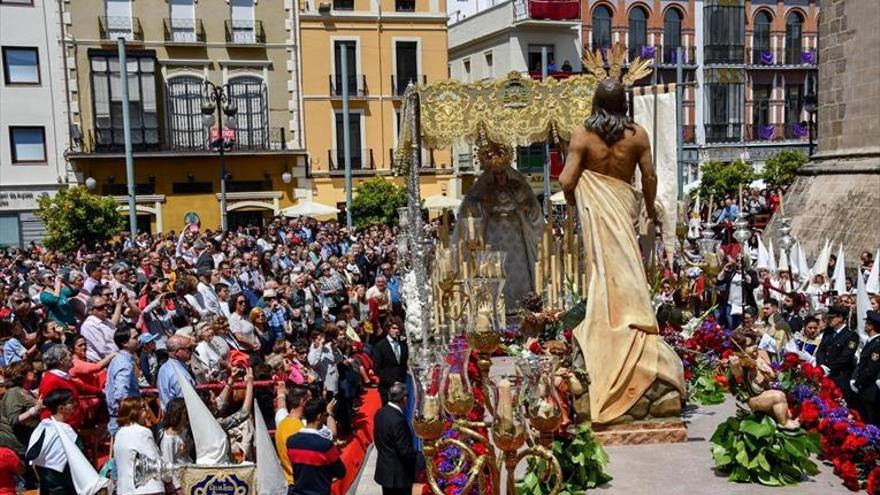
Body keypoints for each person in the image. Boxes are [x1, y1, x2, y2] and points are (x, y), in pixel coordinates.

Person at [559, 75, 685, 424]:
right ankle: (634, 334)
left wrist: (578, 199)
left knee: (604, 274)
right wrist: (648, 208)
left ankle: (608, 339)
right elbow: (649, 178)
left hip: (598, 217)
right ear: (625, 103)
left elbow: (566, 180)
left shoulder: (583, 135)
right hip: (623, 212)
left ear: (596, 104)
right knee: (629, 273)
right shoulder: (638, 135)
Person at [25, 389, 79, 495]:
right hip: (64, 489)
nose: (75, 404)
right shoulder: (67, 432)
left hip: (45, 488)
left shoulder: (41, 428)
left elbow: (33, 462)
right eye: (71, 402)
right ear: (61, 408)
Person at [287, 398, 346, 495]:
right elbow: (341, 472)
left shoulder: (291, 442)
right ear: (319, 416)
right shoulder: (325, 446)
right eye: (325, 415)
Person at [113, 398, 165, 495]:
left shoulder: (119, 434)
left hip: (124, 489)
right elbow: (154, 462)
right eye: (143, 408)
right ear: (134, 412)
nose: (147, 410)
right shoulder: (143, 432)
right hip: (146, 489)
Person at [372, 382, 417, 495]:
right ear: (405, 398)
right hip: (399, 476)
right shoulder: (398, 420)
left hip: (385, 472)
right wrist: (420, 457)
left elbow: (378, 440)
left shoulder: (380, 413)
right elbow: (405, 452)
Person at [37, 345, 87, 430]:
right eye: (69, 356)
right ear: (61, 361)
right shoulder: (51, 381)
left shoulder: (63, 377)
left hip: (70, 427)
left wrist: (100, 392)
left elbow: (81, 387)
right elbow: (46, 410)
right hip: (62, 431)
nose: (72, 358)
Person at [816, 305, 860, 397]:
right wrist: (821, 366)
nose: (828, 320)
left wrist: (828, 368)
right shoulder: (828, 332)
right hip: (825, 375)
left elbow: (845, 357)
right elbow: (821, 350)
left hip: (840, 377)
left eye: (831, 318)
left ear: (840, 318)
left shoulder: (851, 335)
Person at [105, 328, 142, 436]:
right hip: (124, 421)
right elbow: (121, 394)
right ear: (124, 343)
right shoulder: (124, 363)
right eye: (135, 338)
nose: (138, 340)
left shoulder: (120, 359)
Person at [275, 385, 309, 486]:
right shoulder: (305, 428)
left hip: (288, 482)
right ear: (303, 401)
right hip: (303, 484)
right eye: (310, 399)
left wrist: (280, 393)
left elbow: (281, 405)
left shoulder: (281, 421)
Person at [849, 311, 880, 425]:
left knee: (869, 421)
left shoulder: (877, 344)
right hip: (864, 389)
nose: (865, 325)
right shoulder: (871, 342)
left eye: (867, 323)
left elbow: (870, 370)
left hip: (869, 390)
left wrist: (858, 384)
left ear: (871, 325)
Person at [159, 398, 193, 491]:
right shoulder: (169, 439)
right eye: (185, 413)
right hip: (178, 484)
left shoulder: (183, 432)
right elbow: (168, 464)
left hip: (188, 477)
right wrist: (176, 486)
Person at [371, 319, 408, 405]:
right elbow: (377, 369)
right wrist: (392, 381)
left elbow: (404, 364)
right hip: (387, 388)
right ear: (388, 329)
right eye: (394, 328)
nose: (397, 331)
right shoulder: (379, 346)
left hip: (402, 386)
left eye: (398, 329)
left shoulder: (403, 345)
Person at [156, 335, 196, 411]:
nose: (192, 351)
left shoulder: (164, 368)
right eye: (189, 348)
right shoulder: (179, 375)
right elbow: (188, 402)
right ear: (177, 352)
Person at [79, 295, 121, 362]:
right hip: (104, 364)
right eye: (100, 307)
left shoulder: (106, 321)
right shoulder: (89, 325)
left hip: (117, 358)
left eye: (106, 305)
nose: (105, 308)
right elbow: (104, 351)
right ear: (91, 310)